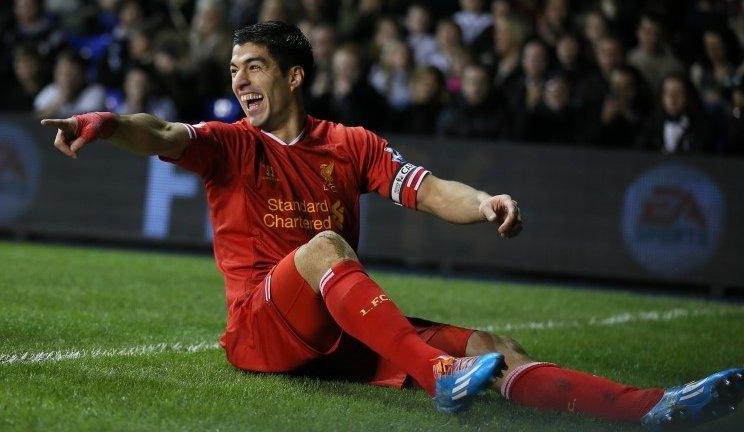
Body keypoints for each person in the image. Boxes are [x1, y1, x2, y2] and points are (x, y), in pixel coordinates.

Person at [41, 21, 743, 428]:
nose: (239, 83)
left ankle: (650, 408)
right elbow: (158, 131)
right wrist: (102, 123)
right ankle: (435, 374)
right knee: (326, 249)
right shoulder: (229, 144)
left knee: (494, 345)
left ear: (295, 76)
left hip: (336, 327)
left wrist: (486, 202)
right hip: (259, 331)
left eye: (254, 68)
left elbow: (431, 190)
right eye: (234, 70)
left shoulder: (351, 145)